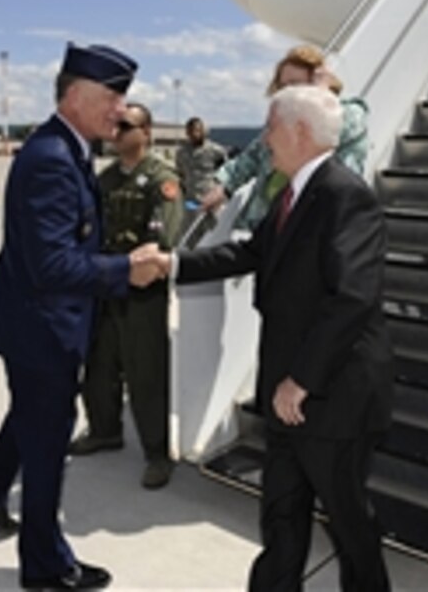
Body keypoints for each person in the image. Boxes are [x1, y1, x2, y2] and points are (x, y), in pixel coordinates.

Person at [137, 84, 393, 590]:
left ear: (300, 131)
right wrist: (172, 264)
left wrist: (301, 379)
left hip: (332, 393)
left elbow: (352, 299)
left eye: (271, 128)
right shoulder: (290, 195)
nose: (265, 139)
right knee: (281, 511)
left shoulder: (346, 196)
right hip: (287, 387)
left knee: (349, 523)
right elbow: (248, 254)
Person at [0, 42, 159, 591]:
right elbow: (52, 264)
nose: (120, 108)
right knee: (47, 446)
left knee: (30, 416)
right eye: (112, 96)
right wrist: (125, 270)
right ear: (74, 95)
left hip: (36, 321)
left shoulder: (67, 147)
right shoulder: (51, 157)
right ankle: (46, 566)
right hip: (40, 326)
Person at [69, 102, 184, 489]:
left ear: (146, 132)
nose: (116, 132)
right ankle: (104, 430)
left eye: (126, 125)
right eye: (115, 125)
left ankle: (157, 453)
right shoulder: (105, 181)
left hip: (142, 290)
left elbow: (165, 235)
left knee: (145, 371)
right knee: (99, 363)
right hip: (105, 284)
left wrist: (139, 268)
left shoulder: (161, 178)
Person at [201, 45, 368, 231]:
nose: (286, 92)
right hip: (260, 225)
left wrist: (319, 97)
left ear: (317, 82)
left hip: (307, 231)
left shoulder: (349, 114)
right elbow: (251, 157)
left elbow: (336, 131)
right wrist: (224, 187)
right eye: (282, 86)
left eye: (295, 84)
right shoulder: (281, 123)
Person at [175, 117, 228, 229]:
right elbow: (180, 174)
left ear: (204, 131)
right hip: (191, 200)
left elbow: (225, 171)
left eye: (198, 130)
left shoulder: (216, 151)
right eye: (192, 131)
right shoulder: (181, 153)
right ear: (187, 133)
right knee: (190, 232)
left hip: (210, 198)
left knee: (213, 230)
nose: (195, 134)